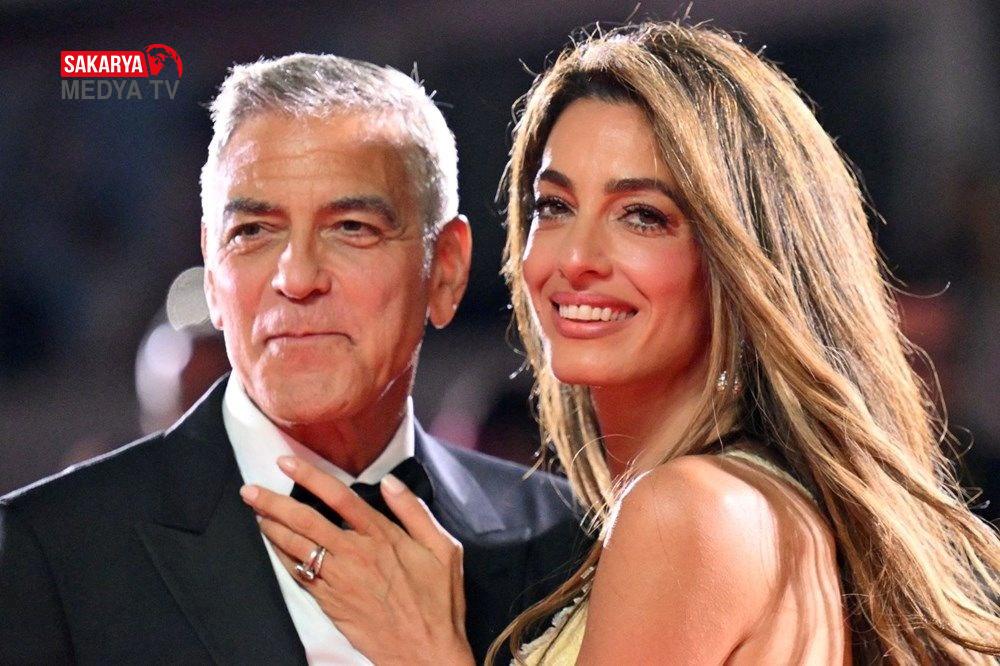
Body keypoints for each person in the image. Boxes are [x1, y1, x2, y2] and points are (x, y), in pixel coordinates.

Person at [241, 22, 1000, 664]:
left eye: (643, 216)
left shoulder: (685, 513)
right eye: (554, 206)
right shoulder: (759, 503)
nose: (575, 259)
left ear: (738, 259)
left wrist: (427, 650)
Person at [0, 54, 588, 664]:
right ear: (212, 273)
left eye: (352, 227)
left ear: (445, 270)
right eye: (253, 231)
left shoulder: (567, 543)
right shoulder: (52, 551)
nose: (298, 278)